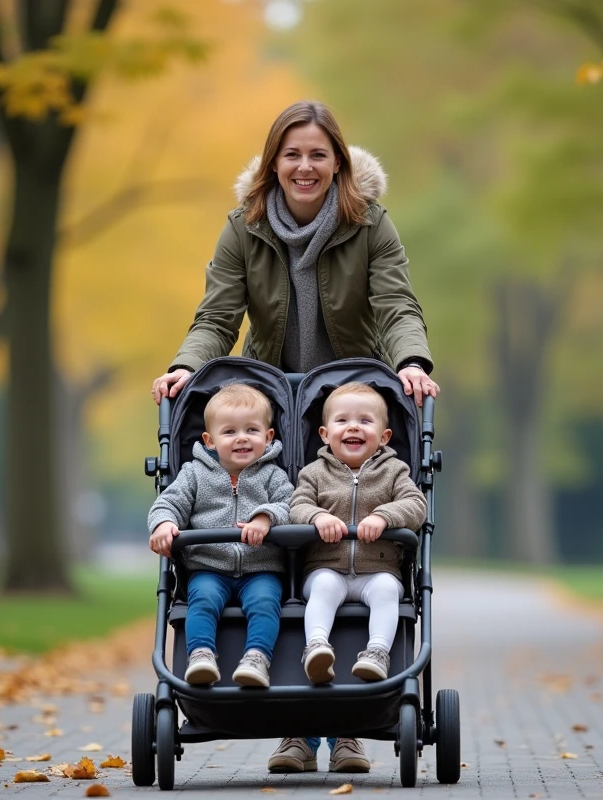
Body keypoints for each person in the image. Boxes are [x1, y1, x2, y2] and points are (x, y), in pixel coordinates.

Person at [149, 99, 440, 774]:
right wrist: (186, 367)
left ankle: (345, 728)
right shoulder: (243, 227)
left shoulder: (370, 223)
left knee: (345, 549)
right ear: (274, 163)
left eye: (318, 154)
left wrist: (412, 365)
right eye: (292, 154)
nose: (305, 166)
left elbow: (396, 304)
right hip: (270, 406)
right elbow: (218, 312)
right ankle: (292, 730)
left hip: (349, 409)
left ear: (337, 162)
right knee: (281, 550)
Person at [148, 384, 293, 688]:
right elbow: (169, 502)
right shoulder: (195, 474)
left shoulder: (273, 474)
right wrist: (163, 524)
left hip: (261, 566)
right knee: (202, 600)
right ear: (210, 441)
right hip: (209, 565)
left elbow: (291, 504)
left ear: (268, 438)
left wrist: (266, 516)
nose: (241, 438)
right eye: (230, 432)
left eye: (251, 430)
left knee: (266, 602)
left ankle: (256, 658)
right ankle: (201, 654)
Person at [292, 382, 426, 684]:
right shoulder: (313, 473)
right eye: (342, 421)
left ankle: (378, 652)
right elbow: (296, 505)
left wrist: (384, 516)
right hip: (326, 567)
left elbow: (416, 505)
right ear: (325, 434)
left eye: (365, 421)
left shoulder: (394, 472)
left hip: (378, 569)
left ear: (384, 436)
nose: (353, 427)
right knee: (324, 587)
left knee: (388, 591)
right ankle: (316, 646)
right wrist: (317, 517)